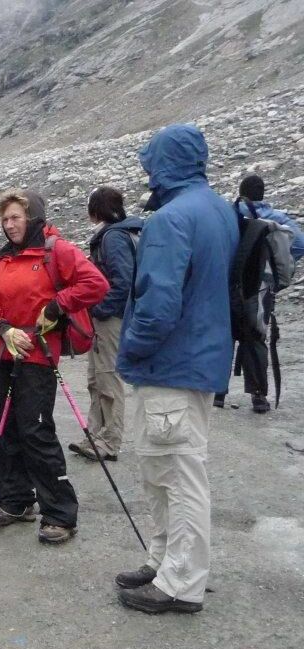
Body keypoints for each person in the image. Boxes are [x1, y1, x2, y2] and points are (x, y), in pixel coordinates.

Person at [115, 125, 238, 614]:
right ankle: (165, 560)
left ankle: (180, 582)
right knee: (165, 470)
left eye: (151, 164)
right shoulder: (218, 209)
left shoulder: (170, 219)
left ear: (164, 164)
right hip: (198, 357)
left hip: (169, 364)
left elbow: (159, 305)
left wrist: (131, 352)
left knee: (176, 474)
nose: (147, 172)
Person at [0, 189, 107, 544]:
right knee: (4, 430)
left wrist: (57, 305)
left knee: (35, 432)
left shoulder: (56, 250)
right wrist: (3, 328)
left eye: (16, 217)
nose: (9, 224)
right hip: (4, 353)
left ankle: (60, 513)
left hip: (36, 356)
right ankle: (16, 501)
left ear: (33, 217)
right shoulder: (2, 259)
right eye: (4, 219)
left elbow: (95, 283)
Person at [217, 174, 304, 413]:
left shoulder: (228, 215)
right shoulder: (275, 219)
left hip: (227, 284)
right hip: (259, 287)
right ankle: (258, 396)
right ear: (263, 193)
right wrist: (275, 273)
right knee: (255, 337)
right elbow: (299, 244)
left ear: (241, 191)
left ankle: (217, 393)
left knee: (224, 335)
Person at [68, 186, 142, 463]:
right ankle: (95, 435)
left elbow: (122, 281)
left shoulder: (112, 238)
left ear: (94, 210)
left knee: (107, 376)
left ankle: (109, 441)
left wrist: (99, 309)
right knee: (96, 377)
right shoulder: (126, 233)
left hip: (111, 319)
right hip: (113, 316)